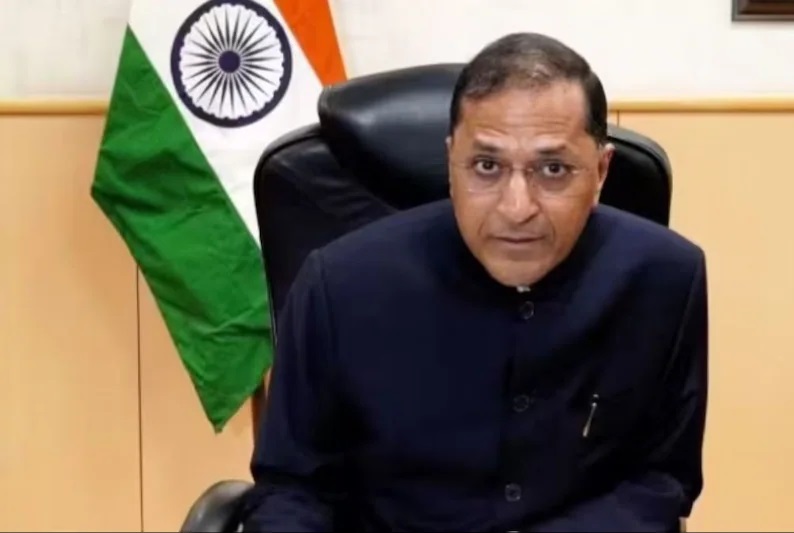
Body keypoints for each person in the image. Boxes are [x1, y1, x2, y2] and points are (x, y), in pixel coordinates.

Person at [242, 32, 708, 533]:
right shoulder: (338, 285)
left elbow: (663, 477)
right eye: (486, 166)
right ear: (451, 163)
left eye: (553, 169)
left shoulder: (665, 277)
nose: (517, 208)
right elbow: (291, 489)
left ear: (599, 171)